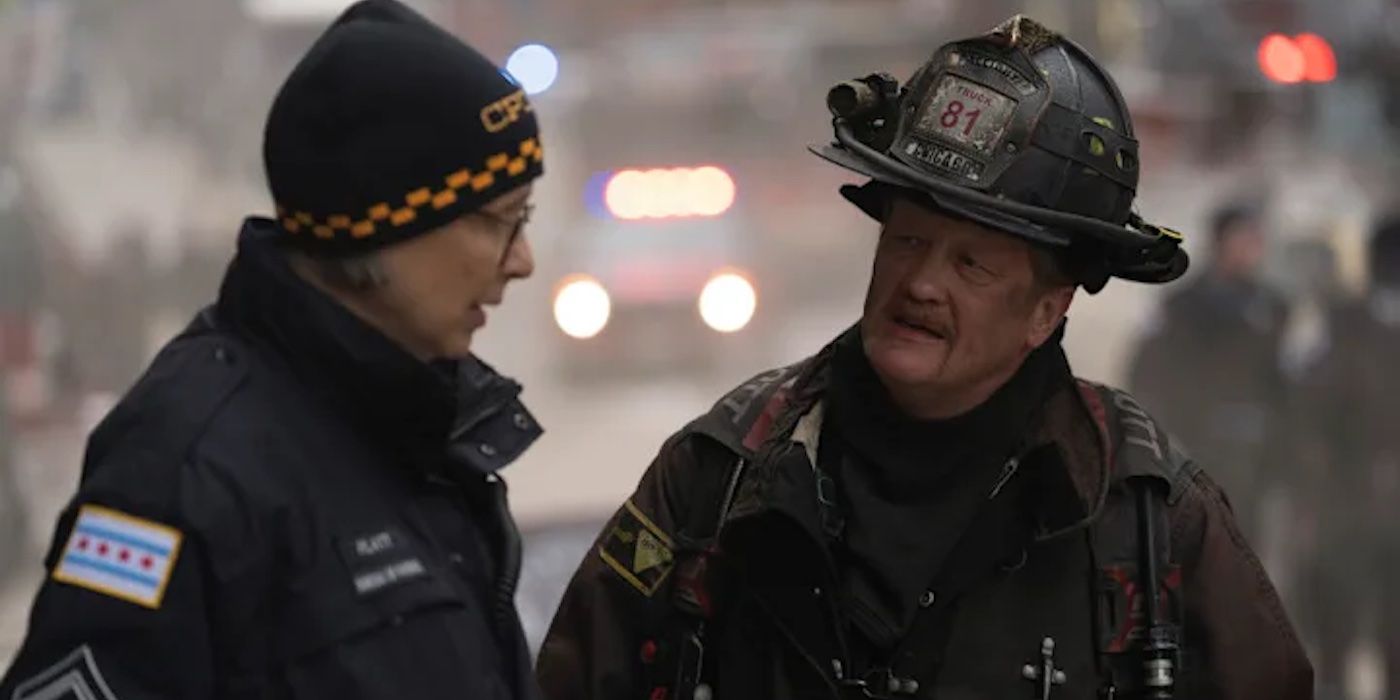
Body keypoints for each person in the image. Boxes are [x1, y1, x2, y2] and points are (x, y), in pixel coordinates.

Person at [536, 16, 1311, 700]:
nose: (922, 282)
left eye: (972, 264)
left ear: (1047, 309)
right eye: (907, 240)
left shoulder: (1149, 523)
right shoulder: (720, 480)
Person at [0, 1, 547, 697]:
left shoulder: (412, 437)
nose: (522, 260)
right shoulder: (183, 471)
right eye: (501, 220)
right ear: (383, 221)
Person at [1128, 202, 1288, 545]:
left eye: (1256, 238)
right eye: (1243, 237)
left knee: (1246, 548)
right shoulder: (1183, 306)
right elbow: (1150, 376)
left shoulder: (1274, 308)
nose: (1252, 247)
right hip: (1195, 449)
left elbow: (1283, 382)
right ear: (1220, 241)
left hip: (1255, 457)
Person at [1293, 216, 1400, 700]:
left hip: (1371, 496)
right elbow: (1310, 414)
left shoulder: (1343, 324)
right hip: (1349, 494)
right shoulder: (1345, 324)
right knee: (1339, 617)